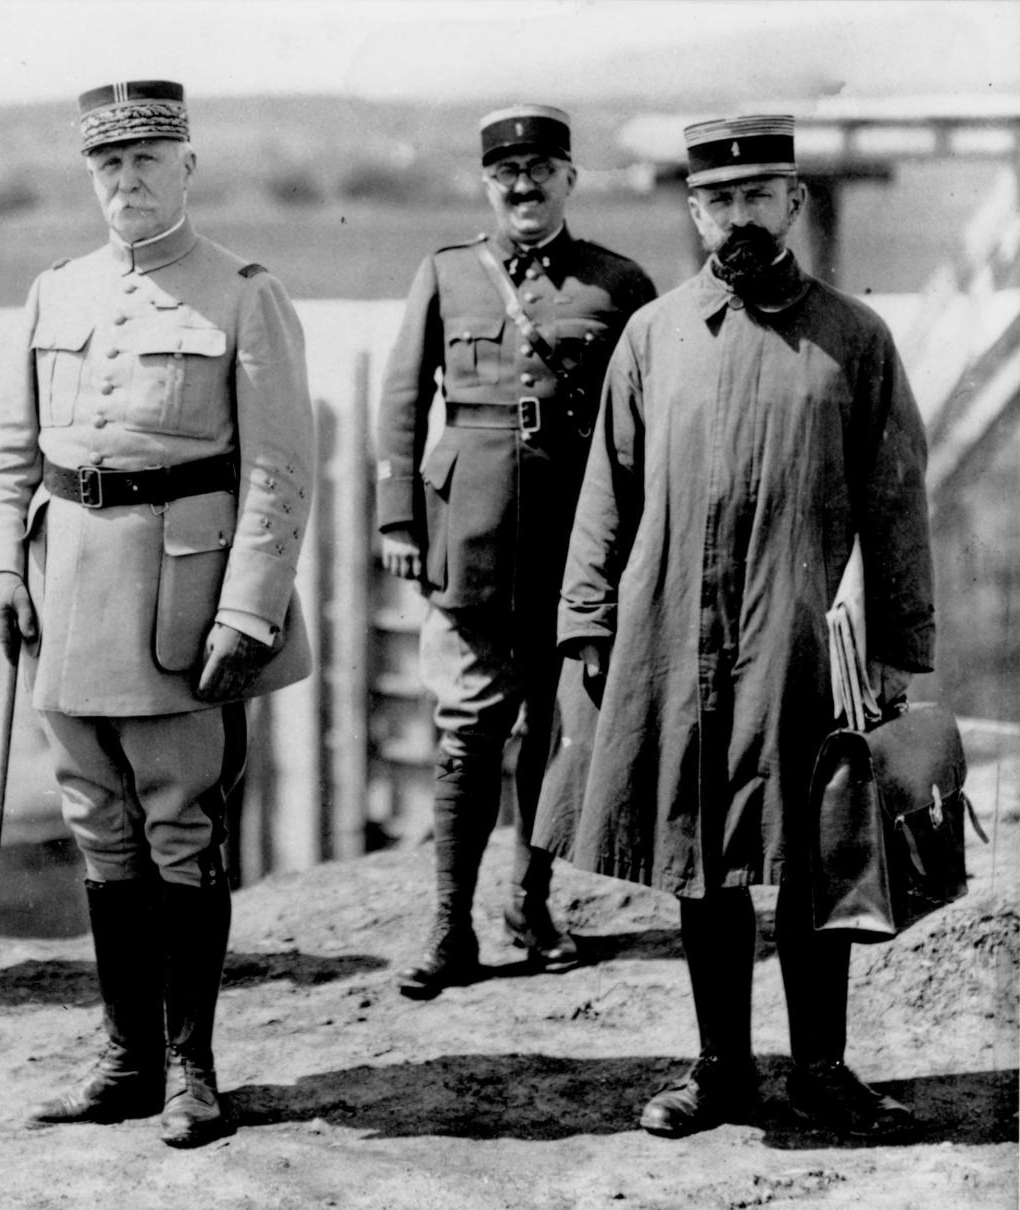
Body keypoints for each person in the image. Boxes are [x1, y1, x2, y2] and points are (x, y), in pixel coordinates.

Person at [555, 115, 934, 1138]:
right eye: (719, 201)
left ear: (794, 203)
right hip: (675, 633)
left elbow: (897, 502)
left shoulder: (855, 338)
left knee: (818, 848)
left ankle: (821, 1069)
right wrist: (586, 618)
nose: (739, 217)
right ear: (694, 213)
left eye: (758, 196)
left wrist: (899, 649)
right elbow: (608, 489)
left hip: (801, 639)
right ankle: (721, 1068)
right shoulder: (653, 335)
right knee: (697, 846)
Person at [0, 80, 314, 1148]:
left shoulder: (243, 295)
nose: (127, 182)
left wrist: (247, 613)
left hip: (181, 599)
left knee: (180, 824)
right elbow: (9, 456)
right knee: (96, 822)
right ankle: (125, 1060)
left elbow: (280, 471)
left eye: (147, 162)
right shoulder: (54, 292)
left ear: (187, 168)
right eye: (109, 165)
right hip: (66, 592)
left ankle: (190, 1068)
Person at [373, 105, 656, 999]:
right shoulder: (447, 272)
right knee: (469, 725)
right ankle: (448, 926)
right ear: (487, 185)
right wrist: (397, 519)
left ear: (570, 179)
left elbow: (647, 420)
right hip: (471, 532)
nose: (524, 188)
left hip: (577, 536)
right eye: (507, 175)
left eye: (541, 172)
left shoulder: (618, 283)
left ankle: (528, 906)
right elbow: (402, 400)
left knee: (554, 724)